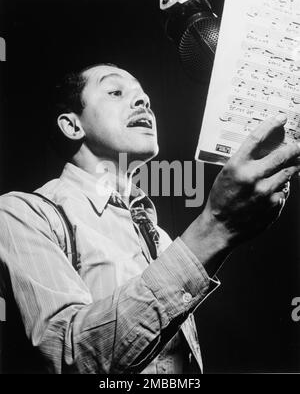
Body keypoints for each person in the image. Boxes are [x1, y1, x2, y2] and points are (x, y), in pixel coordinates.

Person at [0, 63, 299, 374]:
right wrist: (214, 228)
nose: (143, 101)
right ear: (73, 126)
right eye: (116, 92)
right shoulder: (22, 213)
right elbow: (69, 357)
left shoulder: (160, 237)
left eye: (145, 99)